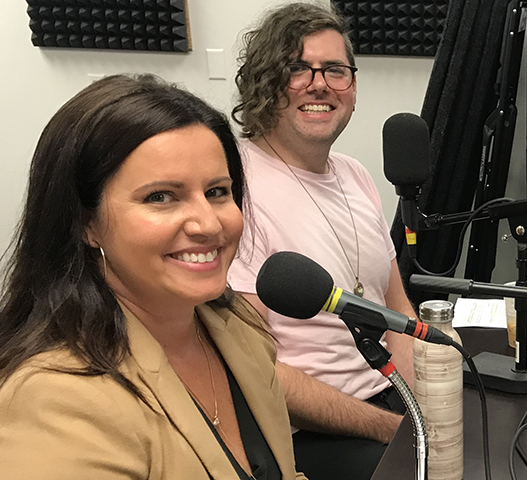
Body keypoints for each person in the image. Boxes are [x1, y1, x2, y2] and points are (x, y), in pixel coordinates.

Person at [0, 75, 305, 479]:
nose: (208, 224)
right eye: (161, 197)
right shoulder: (56, 396)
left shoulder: (236, 329)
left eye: (217, 191)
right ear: (84, 223)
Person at [227, 4, 418, 479]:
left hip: (390, 398)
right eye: (298, 69)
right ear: (264, 82)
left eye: (335, 70)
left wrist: (422, 410)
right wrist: (389, 428)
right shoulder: (235, 189)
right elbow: (257, 371)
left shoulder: (354, 174)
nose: (319, 84)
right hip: (310, 430)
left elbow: (398, 310)